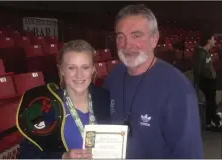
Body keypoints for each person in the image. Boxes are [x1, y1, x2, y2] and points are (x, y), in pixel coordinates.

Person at [103, 4, 203, 159]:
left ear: (154, 39)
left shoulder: (178, 88)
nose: (127, 45)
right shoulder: (114, 77)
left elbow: (188, 154)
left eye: (136, 35)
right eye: (120, 37)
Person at [16, 40, 111, 159]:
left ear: (93, 69)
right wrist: (62, 157)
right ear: (61, 70)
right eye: (72, 68)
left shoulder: (106, 99)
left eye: (85, 67)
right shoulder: (46, 105)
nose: (79, 75)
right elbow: (26, 155)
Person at [193, 32, 222, 131]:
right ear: (208, 40)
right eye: (213, 39)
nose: (215, 41)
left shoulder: (206, 52)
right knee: (211, 103)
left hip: (210, 81)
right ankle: (210, 124)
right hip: (206, 82)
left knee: (212, 103)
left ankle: (212, 122)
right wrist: (196, 84)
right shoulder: (201, 53)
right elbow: (197, 70)